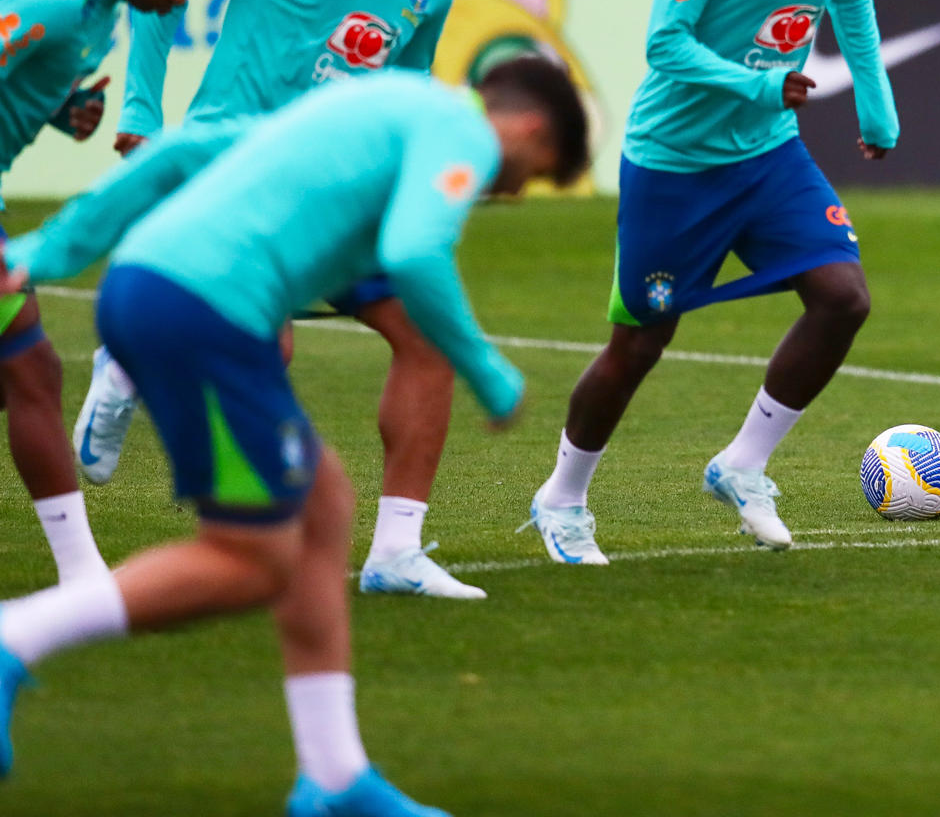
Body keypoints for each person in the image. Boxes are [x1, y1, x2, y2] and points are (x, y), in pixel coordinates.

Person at [0, 59, 587, 815]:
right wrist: (487, 371)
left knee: (321, 508)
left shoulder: (386, 101)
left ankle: (335, 776)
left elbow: (181, 152)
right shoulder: (459, 131)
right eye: (530, 173)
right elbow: (415, 252)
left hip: (166, 290)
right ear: (531, 128)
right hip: (203, 310)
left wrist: (46, 250)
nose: (509, 190)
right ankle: (17, 634)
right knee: (248, 560)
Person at [75, 0, 511, 597]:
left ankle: (396, 555)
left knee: (428, 337)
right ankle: (129, 369)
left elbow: (404, 92)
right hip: (236, 181)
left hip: (339, 194)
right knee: (264, 346)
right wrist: (141, 109)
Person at [521, 0, 898, 562]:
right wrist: (760, 83)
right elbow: (665, 44)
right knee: (640, 344)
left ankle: (743, 464)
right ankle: (562, 497)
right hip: (676, 163)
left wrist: (875, 101)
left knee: (842, 297)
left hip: (766, 155)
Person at [0, 0, 233, 585]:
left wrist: (61, 107)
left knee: (23, 370)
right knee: (29, 367)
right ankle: (84, 577)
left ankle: (81, 574)